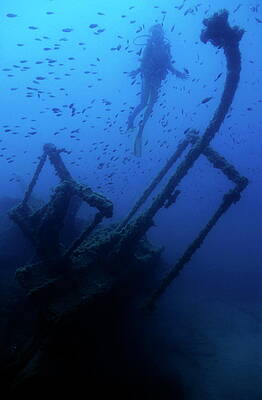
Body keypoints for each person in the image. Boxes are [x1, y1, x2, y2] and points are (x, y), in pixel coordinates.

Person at [127, 24, 188, 156]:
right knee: (143, 103)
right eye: (154, 33)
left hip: (157, 80)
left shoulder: (166, 48)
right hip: (147, 77)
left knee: (151, 105)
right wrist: (136, 71)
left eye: (158, 33)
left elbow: (169, 65)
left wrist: (179, 73)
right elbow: (142, 64)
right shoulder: (149, 47)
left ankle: (141, 128)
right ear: (151, 35)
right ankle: (130, 120)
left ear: (162, 34)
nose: (156, 35)